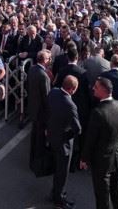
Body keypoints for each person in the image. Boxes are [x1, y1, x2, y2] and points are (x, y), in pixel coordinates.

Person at [80, 77, 118, 209]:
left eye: (96, 87)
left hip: (102, 160)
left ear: (103, 90)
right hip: (117, 156)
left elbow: (91, 139)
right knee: (117, 188)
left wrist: (84, 158)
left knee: (102, 195)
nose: (93, 88)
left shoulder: (98, 112)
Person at [46, 75, 81, 209]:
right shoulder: (70, 105)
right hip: (63, 143)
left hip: (52, 136)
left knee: (57, 168)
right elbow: (77, 129)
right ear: (72, 89)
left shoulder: (53, 92)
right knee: (62, 172)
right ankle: (59, 199)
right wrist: (67, 136)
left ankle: (55, 192)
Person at [28, 49, 52, 171]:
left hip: (33, 108)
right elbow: (47, 97)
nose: (50, 61)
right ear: (45, 60)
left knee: (34, 136)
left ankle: (32, 159)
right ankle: (37, 163)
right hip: (41, 112)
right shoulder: (44, 76)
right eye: (49, 58)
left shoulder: (32, 69)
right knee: (40, 139)